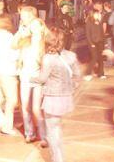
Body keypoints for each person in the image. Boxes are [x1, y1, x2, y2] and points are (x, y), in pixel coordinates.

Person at [31, 29, 81, 162]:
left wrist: (31, 78)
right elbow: (77, 75)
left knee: (53, 131)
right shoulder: (71, 55)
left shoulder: (48, 58)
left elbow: (42, 79)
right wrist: (71, 87)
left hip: (53, 99)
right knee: (57, 127)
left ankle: (58, 159)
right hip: (66, 98)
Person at [13, 6, 47, 145]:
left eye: (25, 17)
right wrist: (20, 32)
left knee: (36, 109)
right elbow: (13, 44)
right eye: (21, 17)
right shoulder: (24, 38)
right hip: (25, 75)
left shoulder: (42, 39)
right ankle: (29, 134)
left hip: (38, 76)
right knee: (25, 107)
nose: (23, 20)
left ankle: (44, 136)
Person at [84, 0, 107, 80]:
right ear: (93, 14)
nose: (98, 15)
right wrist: (91, 43)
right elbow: (88, 34)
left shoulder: (99, 21)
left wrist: (105, 42)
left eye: (99, 14)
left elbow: (102, 32)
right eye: (97, 14)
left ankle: (101, 73)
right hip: (93, 43)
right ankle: (87, 73)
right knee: (94, 57)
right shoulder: (89, 22)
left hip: (100, 42)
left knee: (100, 58)